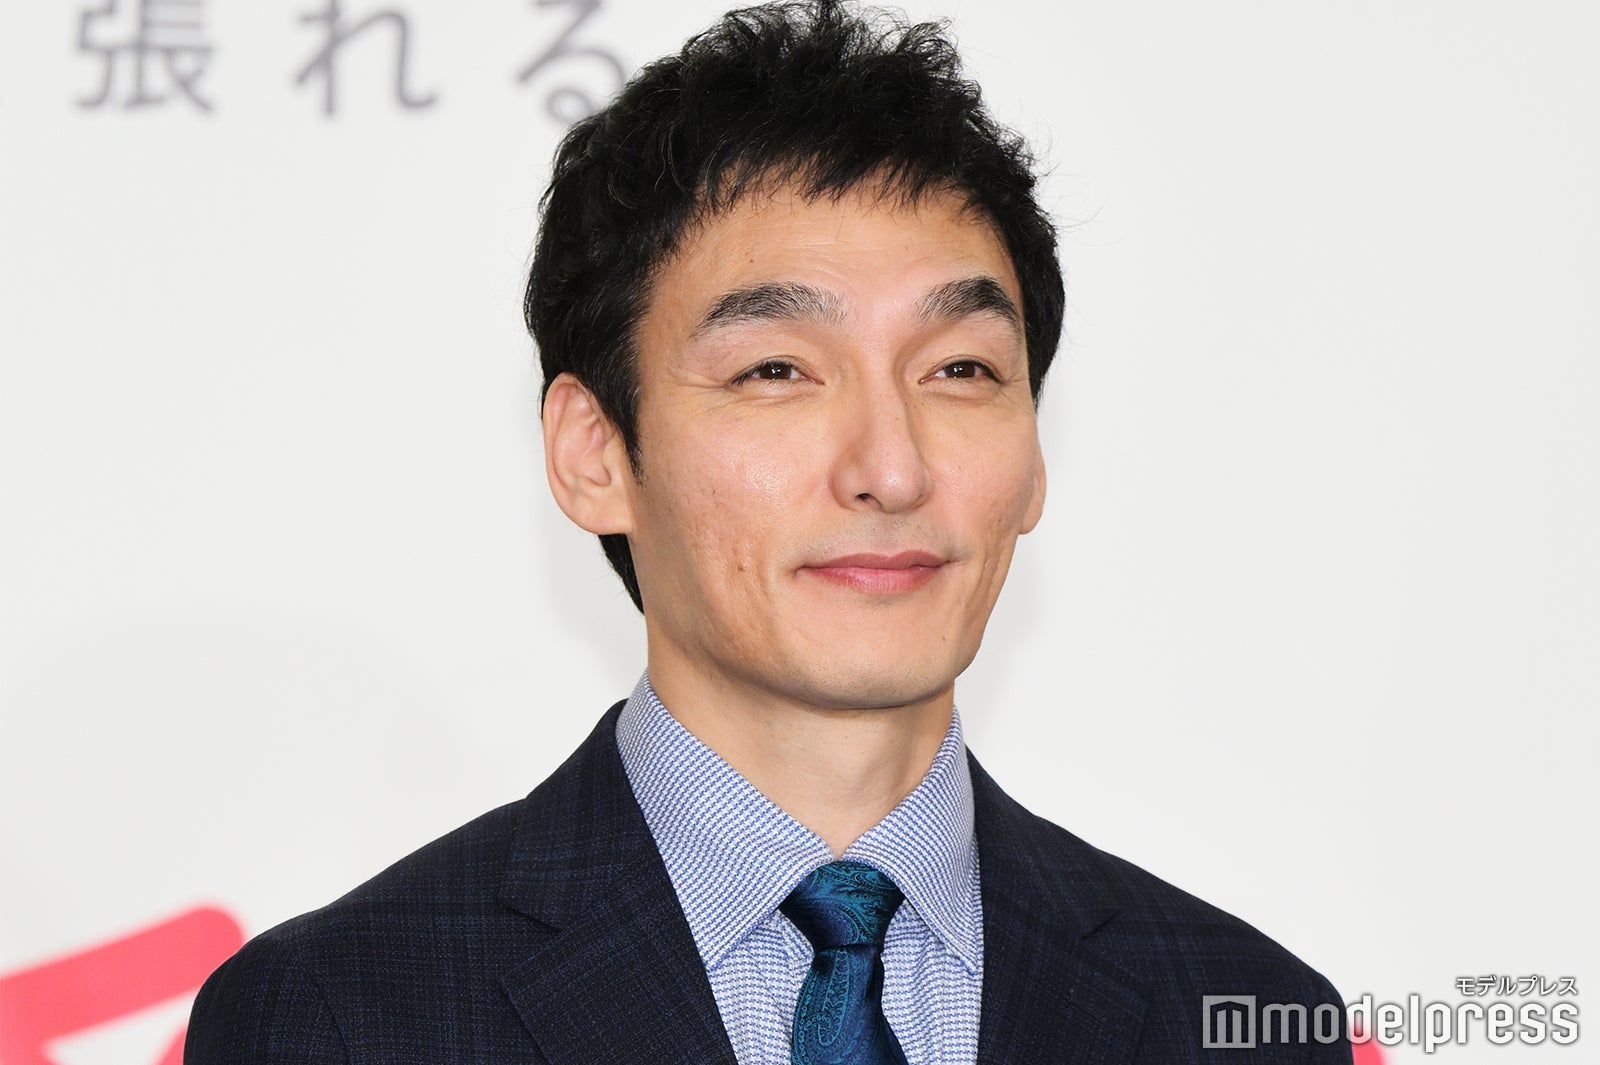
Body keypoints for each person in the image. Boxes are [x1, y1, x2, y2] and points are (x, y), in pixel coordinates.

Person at [186, 2, 1350, 1062]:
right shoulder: (342, 1014)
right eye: (777, 370)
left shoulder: (1240, 1014)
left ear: (1033, 455)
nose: (892, 469)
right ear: (595, 454)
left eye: (959, 369)